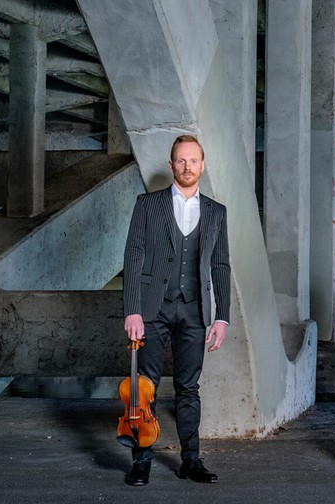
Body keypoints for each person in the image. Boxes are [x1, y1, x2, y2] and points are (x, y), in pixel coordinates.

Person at [121, 134, 231, 486]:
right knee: (144, 388)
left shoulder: (216, 212)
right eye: (180, 161)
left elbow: (221, 265)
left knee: (188, 388)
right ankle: (142, 462)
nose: (187, 166)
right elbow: (134, 256)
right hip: (152, 308)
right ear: (171, 166)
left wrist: (222, 315)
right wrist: (132, 310)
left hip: (195, 310)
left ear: (202, 164)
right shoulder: (147, 204)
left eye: (193, 160)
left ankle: (190, 460)